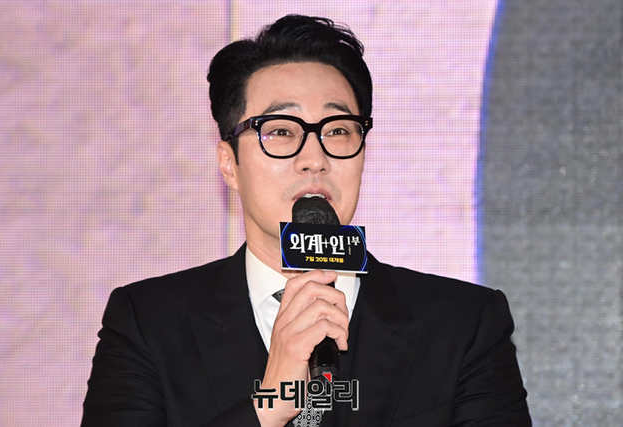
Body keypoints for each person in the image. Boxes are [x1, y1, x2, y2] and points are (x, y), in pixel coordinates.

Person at [82, 15, 531, 426]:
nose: (314, 158)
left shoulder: (463, 325)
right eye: (281, 131)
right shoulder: (148, 323)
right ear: (229, 164)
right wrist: (269, 404)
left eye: (338, 130)